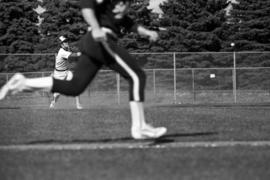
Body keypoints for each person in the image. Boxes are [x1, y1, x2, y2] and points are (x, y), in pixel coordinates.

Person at [0, 0, 167, 139]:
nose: (123, 6)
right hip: (100, 40)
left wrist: (148, 32)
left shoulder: (115, 14)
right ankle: (140, 127)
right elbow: (87, 6)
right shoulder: (104, 6)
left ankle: (22, 83)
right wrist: (95, 28)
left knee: (75, 87)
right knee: (137, 75)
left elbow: (129, 24)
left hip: (93, 43)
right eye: (122, 4)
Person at [49, 35, 83, 109]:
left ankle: (78, 105)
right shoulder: (62, 52)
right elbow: (74, 56)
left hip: (66, 72)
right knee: (57, 94)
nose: (67, 43)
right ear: (61, 44)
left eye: (67, 41)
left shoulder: (66, 49)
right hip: (59, 75)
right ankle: (53, 102)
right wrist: (82, 53)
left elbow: (71, 58)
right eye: (64, 42)